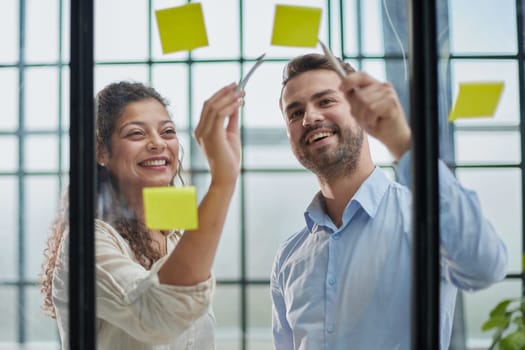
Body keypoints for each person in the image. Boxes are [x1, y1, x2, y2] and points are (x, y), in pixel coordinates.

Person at [270, 53, 508, 350]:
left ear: (359, 108)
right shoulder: (289, 257)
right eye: (294, 113)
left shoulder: (422, 216)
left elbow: (485, 266)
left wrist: (403, 144)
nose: (310, 118)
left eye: (326, 101)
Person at [40, 80, 244, 349]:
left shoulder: (177, 233)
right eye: (136, 134)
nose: (158, 143)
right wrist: (223, 181)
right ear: (101, 152)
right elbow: (158, 313)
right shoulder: (86, 241)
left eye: (167, 131)